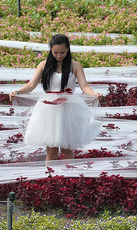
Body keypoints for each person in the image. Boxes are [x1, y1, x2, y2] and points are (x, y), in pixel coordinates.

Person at [9, 34, 102, 162]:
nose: (59, 55)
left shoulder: (75, 66)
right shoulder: (43, 65)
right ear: (50, 50)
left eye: (62, 52)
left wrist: (94, 94)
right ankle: (51, 177)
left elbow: (84, 86)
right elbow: (31, 85)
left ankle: (69, 177)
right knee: (51, 149)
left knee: (67, 149)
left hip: (69, 108)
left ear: (68, 49)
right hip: (48, 108)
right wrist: (17, 92)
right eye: (55, 52)